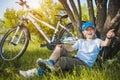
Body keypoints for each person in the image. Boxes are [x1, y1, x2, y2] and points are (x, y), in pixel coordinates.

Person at [19, 22, 115, 78]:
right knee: (59, 48)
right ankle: (50, 62)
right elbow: (71, 48)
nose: (89, 31)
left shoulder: (97, 41)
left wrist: (108, 37)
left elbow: (106, 43)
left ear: (94, 31)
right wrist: (63, 46)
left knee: (62, 60)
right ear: (84, 32)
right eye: (87, 30)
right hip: (76, 59)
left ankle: (38, 72)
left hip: (84, 64)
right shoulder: (81, 41)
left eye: (91, 29)